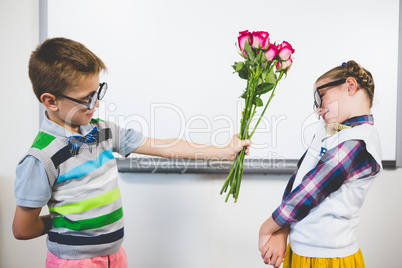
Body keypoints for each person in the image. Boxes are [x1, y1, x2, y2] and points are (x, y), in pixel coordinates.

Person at [12, 37, 251, 267]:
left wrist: (223, 152)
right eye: (86, 98)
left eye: (98, 92)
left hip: (114, 255)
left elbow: (163, 146)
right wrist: (61, 220)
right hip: (74, 262)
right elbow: (23, 229)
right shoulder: (41, 158)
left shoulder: (102, 130)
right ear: (51, 101)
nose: (96, 103)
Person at [258, 60, 382, 268]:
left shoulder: (358, 141)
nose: (318, 109)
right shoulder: (331, 130)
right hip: (301, 249)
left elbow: (310, 191)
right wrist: (282, 231)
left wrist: (267, 228)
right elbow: (300, 179)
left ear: (350, 86)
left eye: (321, 97)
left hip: (328, 258)